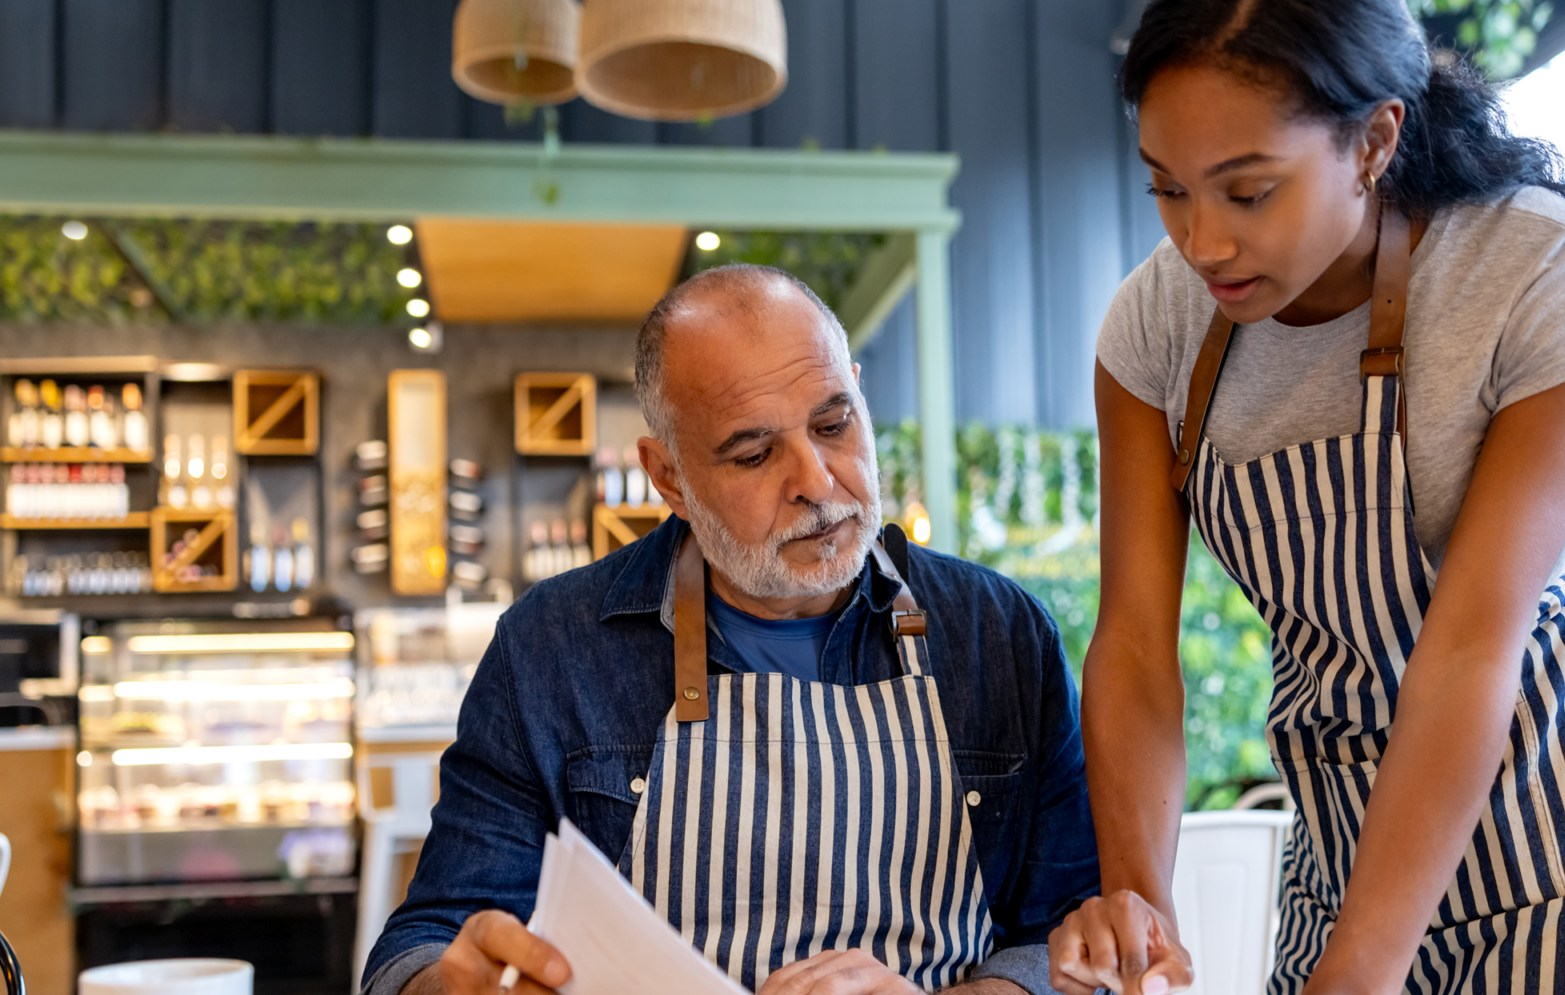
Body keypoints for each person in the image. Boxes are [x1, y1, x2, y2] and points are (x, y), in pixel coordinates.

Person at [1051, 0, 1565, 995]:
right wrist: (1141, 912)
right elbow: (1130, 647)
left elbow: (1465, 651)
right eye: (1164, 187)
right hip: (1345, 835)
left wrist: (1357, 973)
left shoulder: (1540, 274)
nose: (1199, 241)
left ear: (1372, 141)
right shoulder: (1153, 331)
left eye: (1247, 189)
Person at [364, 265, 1098, 995]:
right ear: (669, 476)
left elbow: (1070, 934)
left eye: (834, 423)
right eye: (754, 455)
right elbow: (423, 942)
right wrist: (450, 985)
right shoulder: (550, 651)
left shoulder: (1001, 636)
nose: (816, 480)